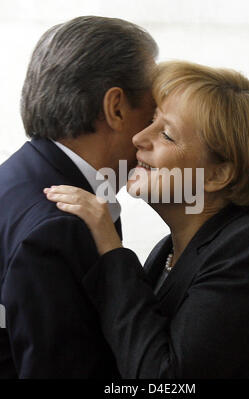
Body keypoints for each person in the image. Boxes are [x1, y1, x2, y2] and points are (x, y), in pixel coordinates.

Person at [45, 61, 249, 378]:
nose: (139, 137)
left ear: (219, 174)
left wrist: (111, 249)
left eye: (166, 134)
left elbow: (164, 380)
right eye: (151, 120)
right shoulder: (168, 250)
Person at [0, 16, 157, 378]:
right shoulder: (59, 226)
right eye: (155, 109)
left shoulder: (17, 178)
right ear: (116, 107)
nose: (156, 128)